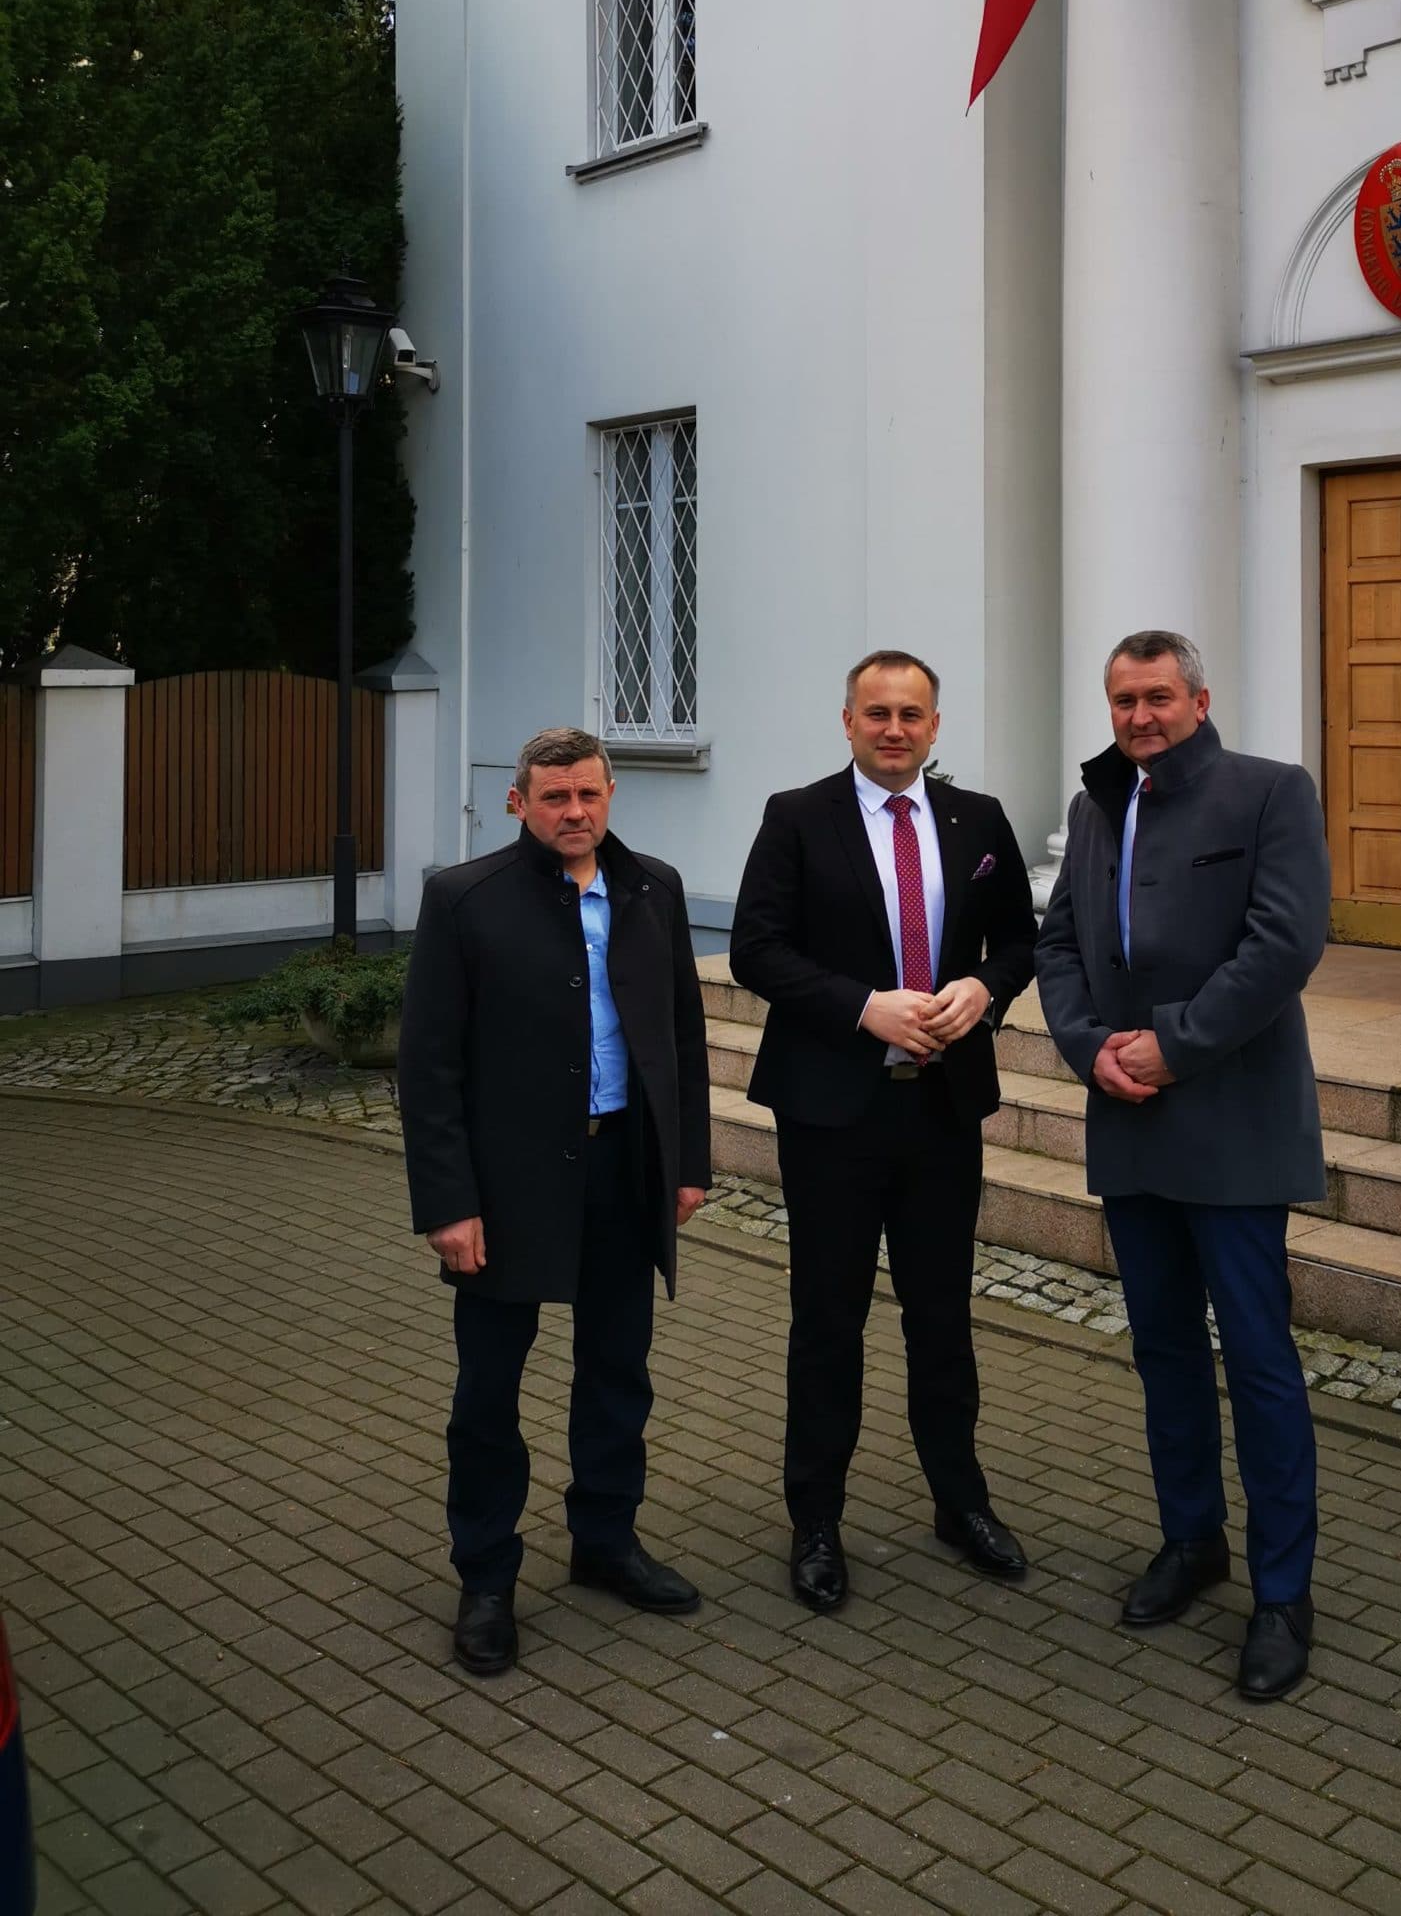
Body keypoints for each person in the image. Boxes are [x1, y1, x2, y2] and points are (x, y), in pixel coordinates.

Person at [1034, 631, 1330, 1702]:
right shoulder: (1096, 806)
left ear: (1200, 700)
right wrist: (1090, 1049)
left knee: (1257, 1360)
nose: (1140, 715)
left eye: (1158, 696)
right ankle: (1192, 1539)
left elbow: (1285, 943)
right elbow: (1059, 944)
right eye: (1124, 698)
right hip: (1131, 1122)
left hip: (1235, 1125)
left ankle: (1283, 1594)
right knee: (1162, 1350)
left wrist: (1175, 1043)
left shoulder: (1270, 792)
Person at [730, 650, 1040, 1611]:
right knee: (829, 1318)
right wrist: (863, 1007)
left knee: (942, 1316)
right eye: (878, 713)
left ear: (935, 725)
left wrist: (984, 987)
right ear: (848, 721)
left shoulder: (977, 819)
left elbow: (1021, 940)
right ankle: (816, 1521)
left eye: (912, 714)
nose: (895, 729)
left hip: (942, 1108)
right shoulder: (796, 816)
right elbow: (755, 950)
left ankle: (960, 1501)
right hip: (833, 1111)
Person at [397, 727, 711, 1675]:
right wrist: (448, 1204)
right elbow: (430, 1066)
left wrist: (687, 1162)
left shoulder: (654, 889)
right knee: (489, 1391)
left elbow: (683, 1037)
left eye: (588, 794)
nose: (574, 812)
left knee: (618, 1371)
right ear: (518, 803)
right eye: (554, 798)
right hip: (509, 1186)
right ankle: (486, 1577)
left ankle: (605, 1542)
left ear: (611, 794)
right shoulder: (464, 899)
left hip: (624, 1172)